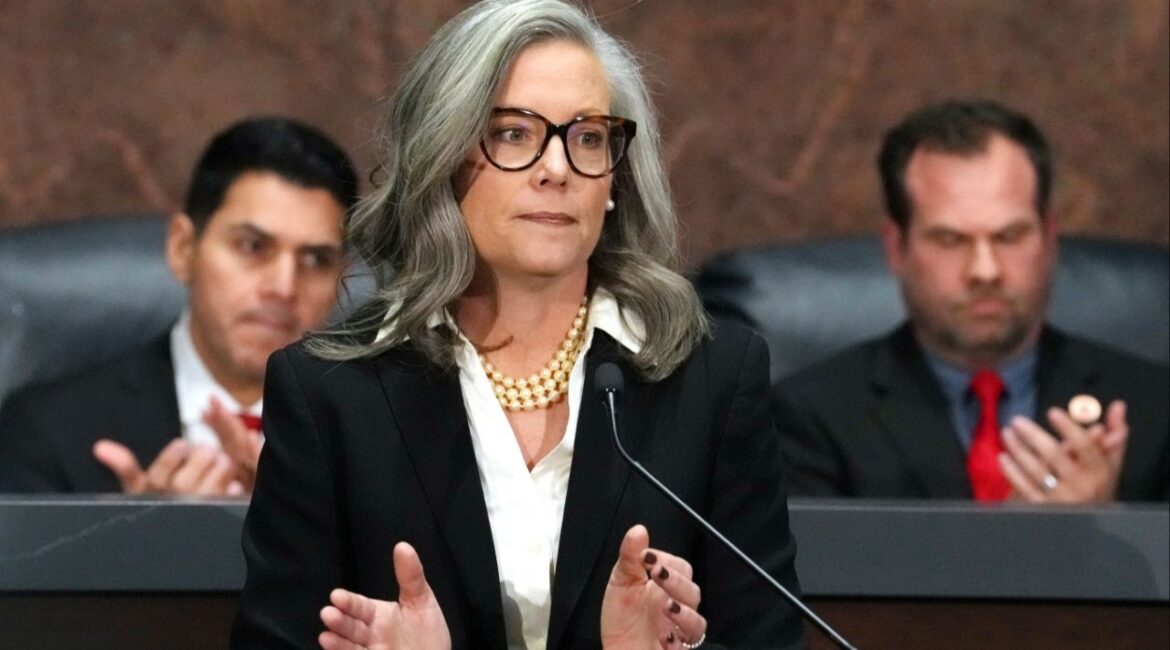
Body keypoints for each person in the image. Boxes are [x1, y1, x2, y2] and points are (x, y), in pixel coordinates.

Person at [231, 2, 806, 648]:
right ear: (444, 159)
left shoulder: (713, 380)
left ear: (614, 179)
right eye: (513, 133)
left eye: (588, 137)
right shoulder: (330, 394)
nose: (557, 168)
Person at [771, 100, 1168, 503]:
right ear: (896, 248)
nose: (985, 270)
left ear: (1049, 239)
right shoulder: (808, 417)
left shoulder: (1157, 407)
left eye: (1009, 236)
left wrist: (1111, 526)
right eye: (950, 240)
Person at [0, 116, 358, 495]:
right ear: (183, 249)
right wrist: (148, 539)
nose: (284, 288)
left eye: (316, 260)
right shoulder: (48, 430)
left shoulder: (380, 434)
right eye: (253, 247)